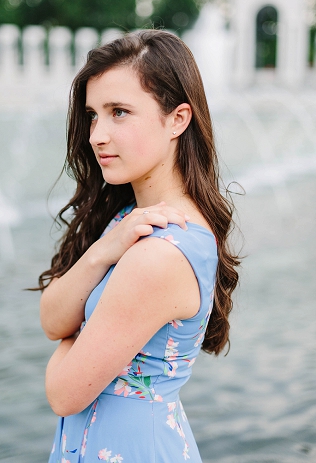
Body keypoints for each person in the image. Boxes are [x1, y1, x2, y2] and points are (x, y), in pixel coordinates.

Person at [38, 30, 239, 462]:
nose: (96, 136)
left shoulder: (160, 254)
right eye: (93, 115)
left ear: (177, 119)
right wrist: (103, 250)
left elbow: (63, 393)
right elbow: (52, 318)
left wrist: (77, 333)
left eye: (120, 113)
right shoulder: (130, 219)